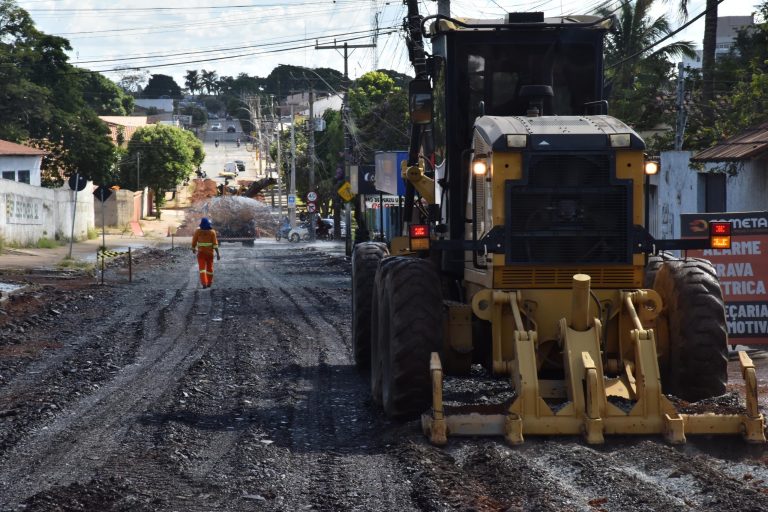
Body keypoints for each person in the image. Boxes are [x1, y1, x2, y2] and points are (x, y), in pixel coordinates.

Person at [191, 217, 221, 288]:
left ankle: (204, 283)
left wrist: (193, 249)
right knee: (210, 269)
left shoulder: (198, 231)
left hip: (201, 253)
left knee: (202, 269)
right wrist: (218, 254)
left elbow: (194, 241)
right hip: (210, 254)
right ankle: (209, 283)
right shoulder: (212, 232)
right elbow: (215, 244)